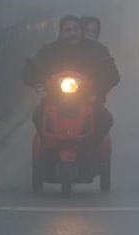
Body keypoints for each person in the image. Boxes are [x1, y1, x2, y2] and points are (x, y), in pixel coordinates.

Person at [21, 15, 120, 145]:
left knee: (105, 119)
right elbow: (31, 70)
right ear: (60, 33)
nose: (72, 33)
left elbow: (111, 73)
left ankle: (92, 152)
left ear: (80, 31)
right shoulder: (48, 51)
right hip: (53, 98)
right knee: (38, 116)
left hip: (88, 98)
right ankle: (47, 151)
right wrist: (37, 83)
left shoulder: (97, 50)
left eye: (75, 29)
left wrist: (98, 90)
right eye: (68, 30)